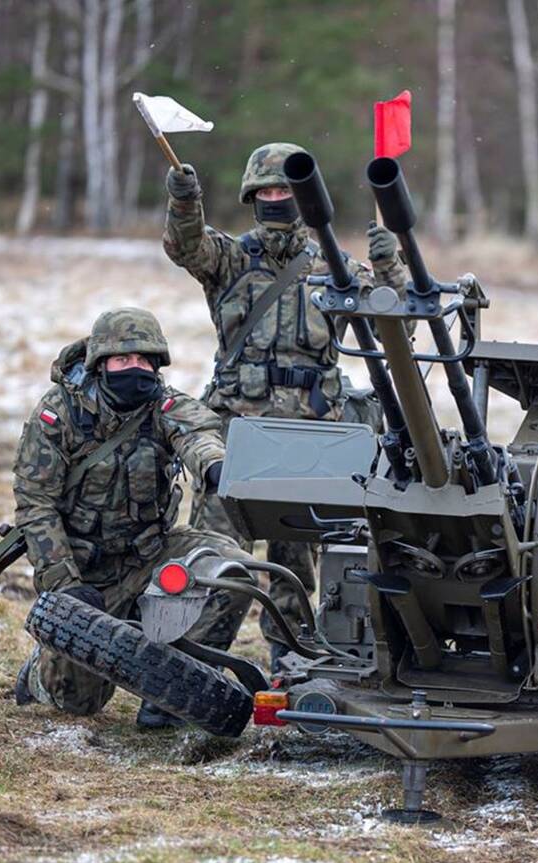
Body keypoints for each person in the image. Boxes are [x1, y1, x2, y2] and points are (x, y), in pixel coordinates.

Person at [163, 142, 405, 664]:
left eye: (285, 191)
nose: (276, 200)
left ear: (304, 197)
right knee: (218, 560)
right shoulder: (229, 258)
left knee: (297, 566)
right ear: (252, 198)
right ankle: (193, 664)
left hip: (309, 439)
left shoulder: (335, 268)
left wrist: (389, 264)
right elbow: (186, 247)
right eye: (266, 192)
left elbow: (395, 322)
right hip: (236, 437)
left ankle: (291, 661)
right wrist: (185, 201)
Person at [12, 307, 256, 729]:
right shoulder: (58, 413)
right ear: (100, 363)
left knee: (234, 573)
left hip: (150, 558)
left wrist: (217, 467)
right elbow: (36, 505)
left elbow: (198, 434)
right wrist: (65, 585)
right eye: (123, 359)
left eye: (144, 360)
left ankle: (173, 696)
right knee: (78, 701)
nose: (134, 368)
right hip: (87, 575)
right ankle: (39, 674)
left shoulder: (163, 404)